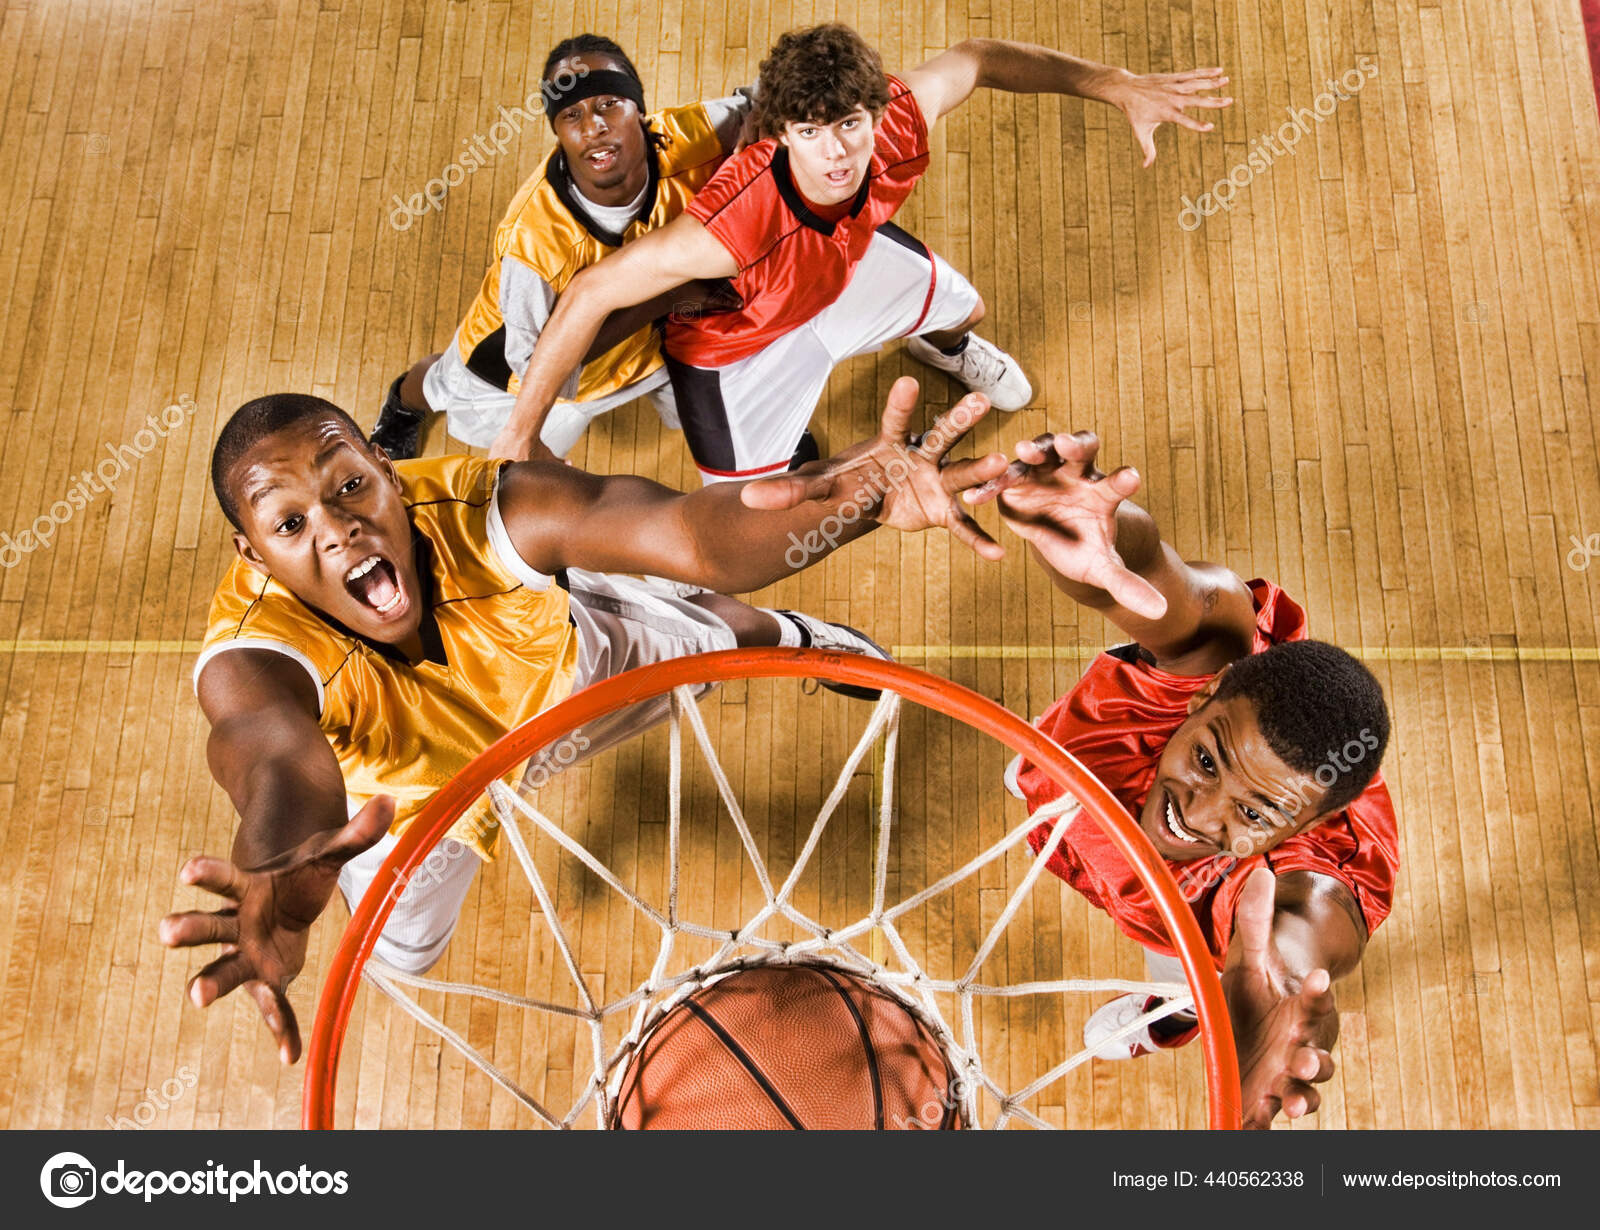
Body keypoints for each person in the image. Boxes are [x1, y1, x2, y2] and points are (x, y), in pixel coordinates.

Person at [161, 378, 1008, 1062]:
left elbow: (697, 535)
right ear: (251, 551)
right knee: (404, 957)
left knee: (724, 635)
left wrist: (862, 495)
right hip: (422, 808)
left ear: (387, 470)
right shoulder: (250, 658)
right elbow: (278, 767)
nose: (340, 528)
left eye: (350, 484)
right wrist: (286, 880)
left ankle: (797, 637)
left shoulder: (498, 508)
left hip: (563, 686)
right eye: (290, 523)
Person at [489, 24, 1232, 480]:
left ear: (876, 108)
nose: (837, 153)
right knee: (751, 506)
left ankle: (942, 351)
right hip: (740, 346)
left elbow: (976, 59)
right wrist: (520, 435)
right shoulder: (732, 222)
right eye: (809, 134)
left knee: (966, 308)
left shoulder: (902, 117)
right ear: (780, 135)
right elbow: (590, 293)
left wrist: (1111, 83)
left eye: (848, 124)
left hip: (839, 273)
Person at [958, 430, 1400, 1129]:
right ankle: (1061, 799)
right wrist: (1103, 533)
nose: (1198, 814)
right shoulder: (1211, 663)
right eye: (1206, 760)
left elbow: (1297, 943)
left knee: (1198, 974)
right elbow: (1156, 582)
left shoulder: (1308, 889)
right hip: (1089, 793)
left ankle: (1183, 1014)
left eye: (1254, 814)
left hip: (1184, 926)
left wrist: (1279, 1005)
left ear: (1307, 830)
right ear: (1200, 701)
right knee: (1050, 784)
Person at [369, 34, 756, 461]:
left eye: (608, 103)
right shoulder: (533, 242)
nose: (593, 127)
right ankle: (403, 406)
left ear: (639, 109)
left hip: (658, 338)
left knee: (724, 389)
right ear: (557, 132)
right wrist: (663, 297)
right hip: (518, 370)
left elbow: (776, 93)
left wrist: (764, 118)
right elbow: (541, 363)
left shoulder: (694, 134)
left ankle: (773, 443)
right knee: (438, 383)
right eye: (573, 114)